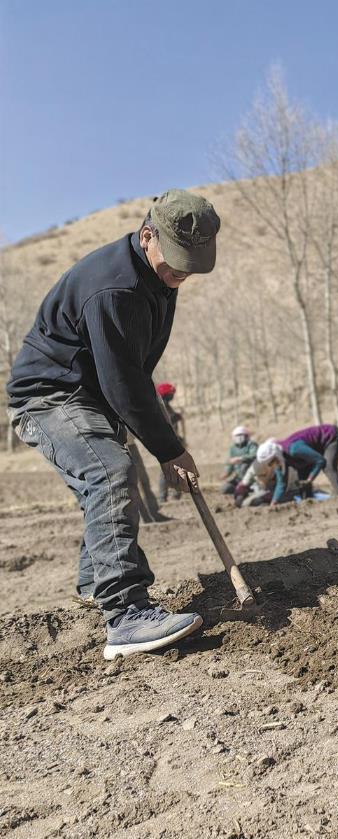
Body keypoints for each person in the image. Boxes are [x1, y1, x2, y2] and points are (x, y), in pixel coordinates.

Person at [5, 189, 220, 659]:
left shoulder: (157, 279)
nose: (181, 273)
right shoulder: (115, 287)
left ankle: (93, 582)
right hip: (50, 396)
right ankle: (125, 616)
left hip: (92, 396)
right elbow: (124, 380)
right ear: (148, 236)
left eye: (191, 264)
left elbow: (134, 372)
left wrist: (160, 440)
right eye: (175, 262)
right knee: (110, 474)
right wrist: (169, 448)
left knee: (107, 482)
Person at [279, 424, 338, 498]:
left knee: (328, 467)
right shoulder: (280, 456)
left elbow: (320, 460)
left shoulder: (294, 449)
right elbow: (281, 482)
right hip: (314, 446)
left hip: (331, 436)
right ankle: (307, 500)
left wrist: (310, 478)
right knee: (302, 471)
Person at [156, 382, 186, 501]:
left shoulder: (166, 406)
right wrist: (176, 417)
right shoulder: (160, 407)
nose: (172, 396)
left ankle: (175, 494)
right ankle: (164, 496)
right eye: (170, 394)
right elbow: (166, 422)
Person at [221, 425, 258, 495]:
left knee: (244, 465)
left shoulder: (252, 445)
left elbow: (254, 455)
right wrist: (226, 473)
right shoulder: (233, 449)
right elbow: (231, 462)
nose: (239, 438)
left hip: (252, 477)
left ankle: (248, 487)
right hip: (238, 478)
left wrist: (240, 459)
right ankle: (240, 487)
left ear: (247, 436)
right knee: (225, 488)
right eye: (237, 436)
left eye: (241, 435)